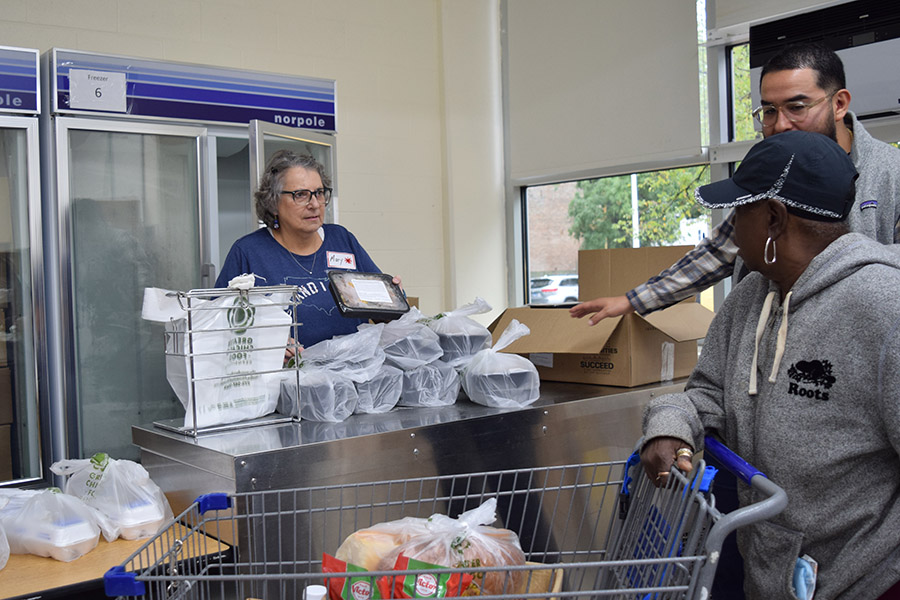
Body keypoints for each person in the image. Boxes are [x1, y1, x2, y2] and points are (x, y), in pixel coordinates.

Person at [640, 130, 900, 600]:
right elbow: (709, 393)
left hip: (867, 580)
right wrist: (670, 424)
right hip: (770, 574)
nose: (732, 230)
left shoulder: (883, 308)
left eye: (740, 212)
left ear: (775, 219)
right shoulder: (750, 296)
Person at [570, 42, 900, 326]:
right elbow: (720, 250)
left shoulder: (891, 173)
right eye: (769, 111)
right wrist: (633, 301)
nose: (781, 124)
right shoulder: (774, 170)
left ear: (839, 103)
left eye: (797, 107)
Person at [216, 150, 397, 349]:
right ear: (273, 202)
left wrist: (392, 299)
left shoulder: (342, 239)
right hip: (288, 376)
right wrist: (265, 344)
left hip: (351, 372)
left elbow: (383, 314)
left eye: (319, 193)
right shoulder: (249, 252)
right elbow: (217, 325)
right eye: (300, 195)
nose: (314, 204)